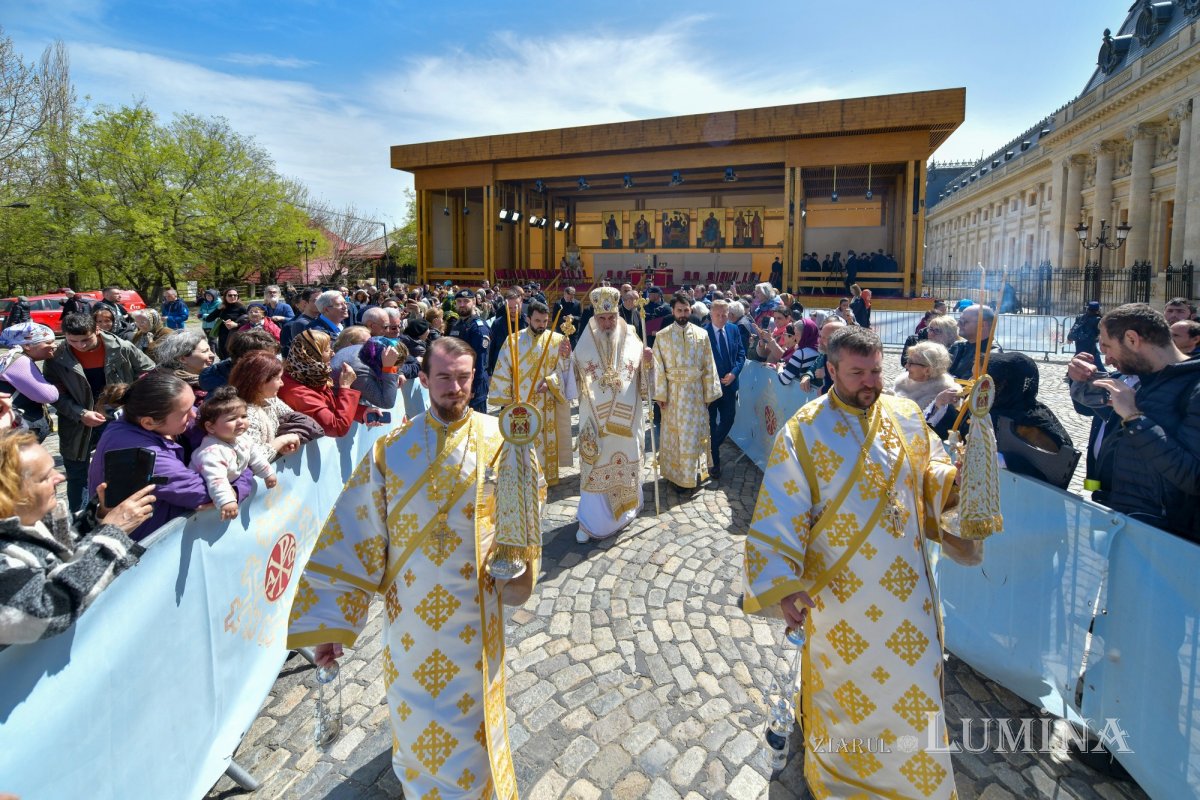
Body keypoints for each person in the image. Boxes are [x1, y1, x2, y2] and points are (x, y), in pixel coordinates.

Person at [286, 336, 539, 797]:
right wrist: (331, 625)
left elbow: (524, 512)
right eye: (443, 377)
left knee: (474, 709)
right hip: (411, 616)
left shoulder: (500, 438)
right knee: (415, 705)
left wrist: (524, 478)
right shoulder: (390, 450)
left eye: (463, 378)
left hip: (477, 610)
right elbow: (354, 536)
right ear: (422, 381)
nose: (455, 387)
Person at [742, 326, 968, 799]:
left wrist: (956, 477)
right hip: (840, 598)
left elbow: (927, 479)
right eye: (857, 372)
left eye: (876, 371)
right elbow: (781, 509)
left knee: (914, 687)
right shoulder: (803, 431)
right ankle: (845, 775)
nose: (870, 382)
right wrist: (784, 585)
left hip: (908, 596)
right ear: (831, 370)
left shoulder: (906, 415)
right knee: (846, 690)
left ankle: (916, 778)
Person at [0, 430, 156, 647]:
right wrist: (111, 534)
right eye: (45, 477)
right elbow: (43, 614)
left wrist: (99, 517)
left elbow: (62, 550)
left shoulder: (34, 520)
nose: (60, 477)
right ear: (8, 494)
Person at [1073, 303, 1200, 541]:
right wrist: (1080, 381)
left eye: (1108, 347)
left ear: (1132, 339)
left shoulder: (1194, 388)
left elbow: (1193, 477)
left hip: (1169, 540)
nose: (1108, 359)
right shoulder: (1142, 380)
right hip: (1126, 523)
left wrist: (1134, 417)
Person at [87, 370, 258, 540]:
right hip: (145, 550)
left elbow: (233, 449)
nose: (195, 415)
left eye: (192, 406)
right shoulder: (139, 452)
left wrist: (236, 481)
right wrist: (234, 488)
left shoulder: (160, 421)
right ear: (148, 422)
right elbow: (203, 492)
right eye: (185, 412)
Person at [45, 313, 156, 513]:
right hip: (77, 423)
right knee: (77, 474)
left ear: (97, 329)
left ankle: (119, 515)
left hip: (119, 419)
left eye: (86, 339)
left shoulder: (121, 348)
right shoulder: (57, 357)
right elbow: (54, 395)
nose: (80, 345)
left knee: (122, 470)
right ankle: (79, 520)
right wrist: (80, 414)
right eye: (73, 341)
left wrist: (127, 403)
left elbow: (150, 373)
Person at [572, 287, 651, 543]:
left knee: (626, 463)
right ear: (595, 317)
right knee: (595, 464)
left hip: (627, 423)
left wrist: (649, 363)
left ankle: (627, 510)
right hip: (595, 422)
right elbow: (571, 383)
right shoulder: (583, 346)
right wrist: (563, 362)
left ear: (618, 315)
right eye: (602, 318)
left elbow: (645, 382)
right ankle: (591, 521)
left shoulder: (633, 340)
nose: (607, 323)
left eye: (611, 318)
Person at [489, 301, 576, 486]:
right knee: (522, 441)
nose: (542, 325)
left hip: (547, 403)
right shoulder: (513, 340)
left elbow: (565, 369)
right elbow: (503, 369)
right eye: (537, 320)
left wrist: (552, 379)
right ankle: (523, 478)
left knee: (546, 440)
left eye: (545, 321)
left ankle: (546, 479)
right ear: (528, 318)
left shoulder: (557, 340)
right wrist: (507, 400)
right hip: (520, 403)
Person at [653, 292, 722, 490]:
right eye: (679, 310)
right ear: (673, 311)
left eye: (686, 310)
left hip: (695, 395)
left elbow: (709, 365)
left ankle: (693, 474)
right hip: (673, 396)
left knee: (693, 436)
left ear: (690, 309)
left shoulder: (702, 335)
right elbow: (658, 367)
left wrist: (709, 394)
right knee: (676, 436)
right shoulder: (662, 336)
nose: (683, 314)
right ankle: (676, 476)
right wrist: (660, 395)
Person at [984, 352, 1079, 489]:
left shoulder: (1033, 422)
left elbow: (1050, 472)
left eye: (994, 382)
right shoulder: (991, 409)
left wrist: (1002, 460)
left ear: (1010, 384)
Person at [189, 386, 277, 521]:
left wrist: (267, 473)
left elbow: (256, 457)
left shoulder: (243, 439)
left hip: (229, 487)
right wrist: (227, 501)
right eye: (232, 419)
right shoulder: (211, 452)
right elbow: (216, 479)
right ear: (211, 427)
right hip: (206, 505)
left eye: (244, 416)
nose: (241, 421)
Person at [227, 351, 313, 465]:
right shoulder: (246, 416)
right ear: (260, 381)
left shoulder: (270, 400)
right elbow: (251, 460)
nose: (282, 384)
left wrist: (289, 439)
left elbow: (293, 417)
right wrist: (281, 441)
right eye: (278, 378)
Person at [278, 329, 361, 437]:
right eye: (327, 350)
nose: (333, 353)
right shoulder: (297, 392)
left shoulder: (305, 375)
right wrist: (345, 387)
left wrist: (362, 412)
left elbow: (329, 405)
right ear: (310, 357)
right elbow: (336, 427)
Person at [703, 299, 745, 479]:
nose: (721, 318)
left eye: (724, 315)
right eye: (718, 315)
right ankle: (715, 463)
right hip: (710, 387)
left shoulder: (734, 329)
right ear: (711, 314)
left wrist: (734, 373)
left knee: (729, 419)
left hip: (729, 384)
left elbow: (741, 354)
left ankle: (710, 449)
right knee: (711, 424)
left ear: (729, 314)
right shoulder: (702, 333)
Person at [0, 322, 60, 442]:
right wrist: (54, 387)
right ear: (27, 346)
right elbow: (48, 395)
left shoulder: (10, 358)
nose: (54, 346)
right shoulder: (19, 361)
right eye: (48, 342)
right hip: (15, 435)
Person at [893, 340, 960, 439]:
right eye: (908, 361)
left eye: (911, 363)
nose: (906, 366)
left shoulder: (946, 393)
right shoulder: (902, 382)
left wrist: (936, 406)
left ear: (927, 370)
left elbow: (932, 432)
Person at [448, 289, 492, 412]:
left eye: (466, 301)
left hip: (473, 384)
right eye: (459, 301)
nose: (462, 304)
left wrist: (473, 387)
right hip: (457, 380)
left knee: (476, 424)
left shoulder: (478, 328)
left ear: (474, 302)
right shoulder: (457, 324)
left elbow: (480, 361)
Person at [196, 328, 276, 394]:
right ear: (244, 359)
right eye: (268, 357)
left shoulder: (251, 375)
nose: (273, 362)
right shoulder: (224, 395)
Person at [151, 329, 216, 400]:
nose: (212, 355)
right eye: (204, 351)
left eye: (209, 350)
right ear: (182, 359)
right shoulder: (173, 391)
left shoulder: (213, 377)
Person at [793, 316, 845, 394]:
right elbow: (813, 367)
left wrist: (830, 375)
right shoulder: (824, 355)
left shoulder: (846, 359)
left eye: (825, 337)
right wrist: (807, 376)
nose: (819, 341)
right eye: (820, 336)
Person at [947, 303, 999, 380]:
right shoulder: (957, 346)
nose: (958, 325)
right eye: (959, 321)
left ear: (982, 324)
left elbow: (972, 386)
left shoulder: (992, 355)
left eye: (963, 322)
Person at [487, 289, 525, 374]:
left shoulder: (528, 322)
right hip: (501, 370)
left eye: (516, 307)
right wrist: (489, 372)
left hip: (522, 369)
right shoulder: (497, 324)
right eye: (509, 307)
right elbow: (491, 349)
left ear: (521, 303)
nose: (512, 310)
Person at [204, 288, 247, 359]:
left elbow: (249, 322)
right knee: (224, 357)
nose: (233, 297)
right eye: (230, 295)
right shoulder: (223, 307)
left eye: (235, 295)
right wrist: (218, 309)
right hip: (223, 337)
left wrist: (237, 325)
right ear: (225, 297)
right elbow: (208, 319)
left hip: (236, 336)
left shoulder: (241, 307)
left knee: (235, 357)